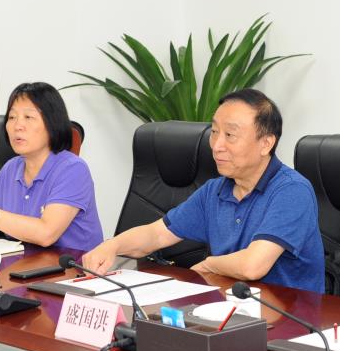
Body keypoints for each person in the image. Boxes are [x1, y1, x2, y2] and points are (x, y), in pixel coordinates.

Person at [82, 89, 325, 293]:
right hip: (232, 308)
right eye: (215, 132)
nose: (217, 145)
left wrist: (209, 265)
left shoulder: (292, 191)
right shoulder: (215, 191)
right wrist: (112, 246)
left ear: (266, 143)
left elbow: (253, 265)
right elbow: (157, 234)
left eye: (230, 135)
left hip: (292, 318)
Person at [0, 82, 103, 250]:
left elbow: (46, 233)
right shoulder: (11, 168)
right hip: (24, 262)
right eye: (12, 117)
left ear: (52, 124)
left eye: (28, 117)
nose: (17, 126)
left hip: (72, 264)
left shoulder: (73, 169)